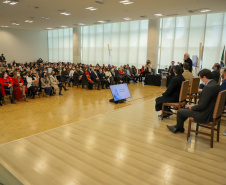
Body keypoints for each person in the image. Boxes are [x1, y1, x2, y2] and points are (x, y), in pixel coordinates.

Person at [167, 69, 221, 133]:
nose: (201, 81)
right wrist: (195, 106)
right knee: (186, 109)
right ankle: (177, 127)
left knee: (179, 112)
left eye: (201, 79)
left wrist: (193, 107)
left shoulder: (208, 87)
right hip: (211, 111)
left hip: (205, 115)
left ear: (204, 77)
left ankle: (180, 129)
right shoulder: (216, 85)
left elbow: (202, 106)